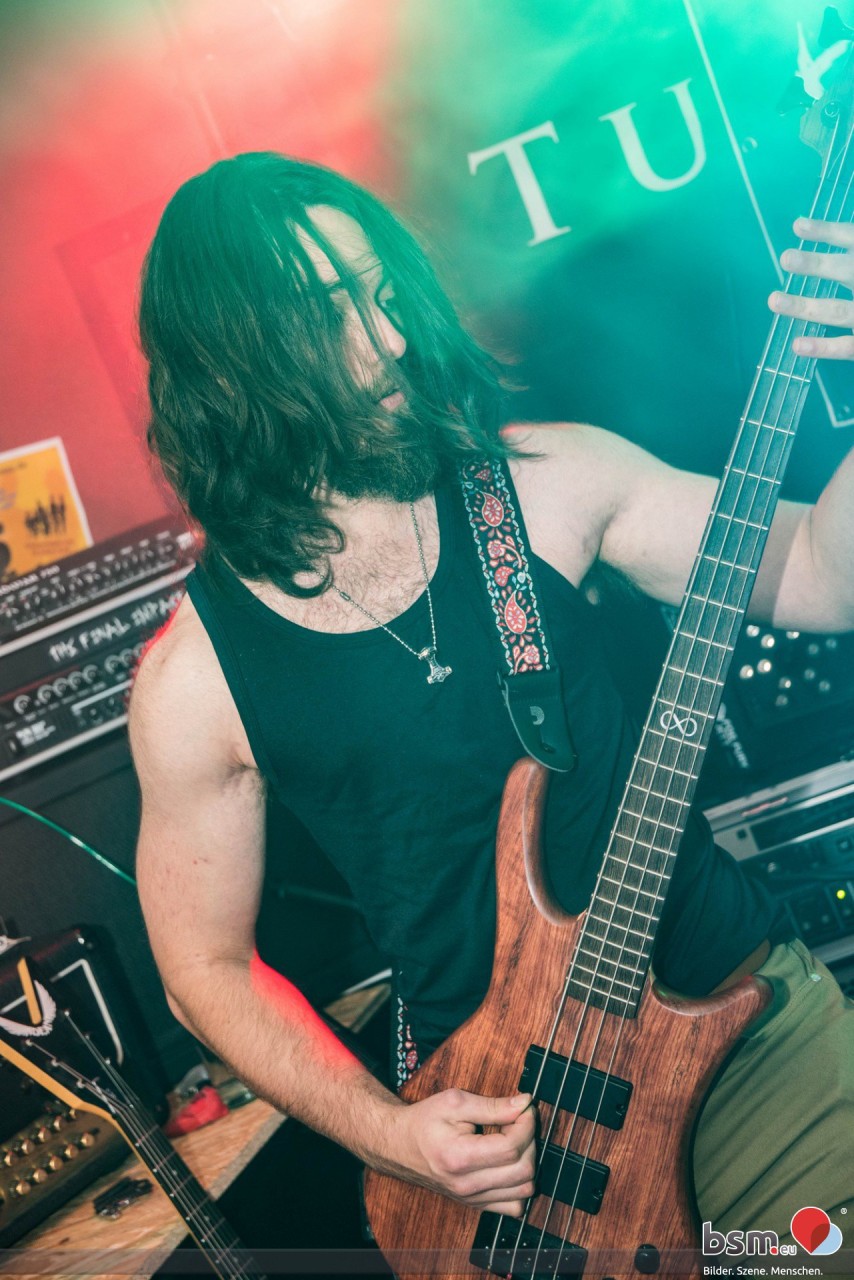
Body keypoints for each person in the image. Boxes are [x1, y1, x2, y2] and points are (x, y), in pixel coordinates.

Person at [129, 152, 854, 1253]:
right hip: (519, 1167)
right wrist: (391, 1134)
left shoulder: (547, 483)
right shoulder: (196, 677)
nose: (390, 341)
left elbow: (820, 574)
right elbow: (202, 972)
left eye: (384, 296)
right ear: (227, 363)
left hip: (751, 1065)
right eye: (331, 314)